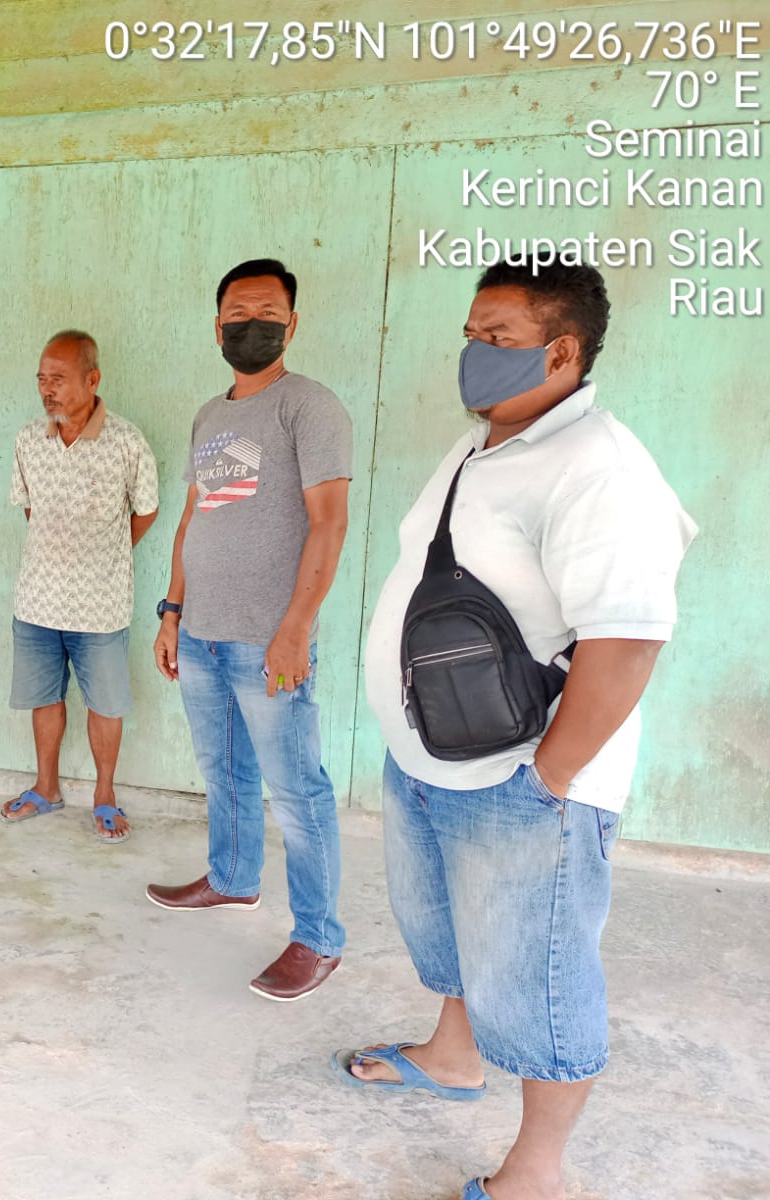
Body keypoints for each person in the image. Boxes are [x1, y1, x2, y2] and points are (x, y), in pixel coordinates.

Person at [342, 257, 695, 1200]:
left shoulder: (600, 468)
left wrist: (547, 781)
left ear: (563, 351)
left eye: (496, 337)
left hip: (522, 782)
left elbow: (627, 642)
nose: (473, 353)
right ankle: (454, 1057)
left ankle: (538, 1172)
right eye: (471, 334)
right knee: (450, 933)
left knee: (540, 977)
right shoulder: (483, 446)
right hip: (432, 759)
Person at [146, 258, 354, 1002]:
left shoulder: (310, 408)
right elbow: (193, 520)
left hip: (269, 640)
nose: (251, 324)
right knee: (224, 772)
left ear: (292, 325)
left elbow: (329, 524)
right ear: (217, 327)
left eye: (267, 312)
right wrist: (172, 613)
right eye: (238, 313)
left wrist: (296, 628)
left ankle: (318, 939)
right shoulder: (211, 415)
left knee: (297, 793)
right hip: (201, 634)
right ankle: (232, 879)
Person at [0, 331, 159, 842]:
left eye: (59, 379)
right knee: (44, 698)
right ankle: (46, 788)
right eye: (42, 379)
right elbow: (31, 509)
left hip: (101, 606)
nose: (47, 389)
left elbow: (146, 511)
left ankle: (104, 795)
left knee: (105, 704)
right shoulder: (30, 439)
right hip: (37, 600)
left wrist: (105, 553)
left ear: (92, 380)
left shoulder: (127, 441)